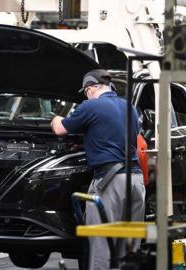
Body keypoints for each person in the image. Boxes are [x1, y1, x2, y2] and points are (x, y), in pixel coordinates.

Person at [50, 69, 146, 270]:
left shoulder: (92, 106)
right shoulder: (130, 107)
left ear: (91, 89)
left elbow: (60, 129)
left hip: (111, 183)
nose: (86, 95)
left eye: (86, 92)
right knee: (129, 248)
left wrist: (55, 118)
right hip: (136, 181)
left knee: (101, 245)